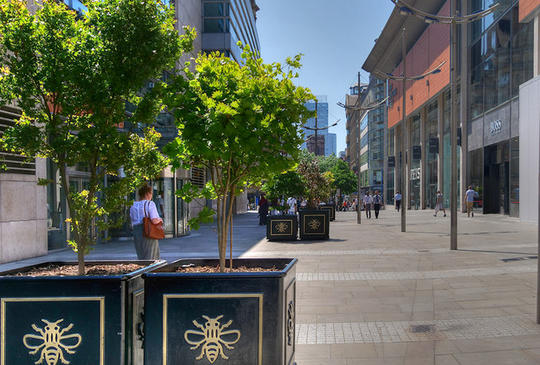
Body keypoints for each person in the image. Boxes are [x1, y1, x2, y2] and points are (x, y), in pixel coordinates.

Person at [130, 184, 162, 260]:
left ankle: (142, 269)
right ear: (147, 194)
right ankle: (150, 270)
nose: (151, 196)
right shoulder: (150, 204)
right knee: (151, 254)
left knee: (141, 253)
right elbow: (154, 220)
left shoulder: (133, 205)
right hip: (148, 230)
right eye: (151, 193)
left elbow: (132, 219)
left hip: (136, 230)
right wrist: (160, 220)